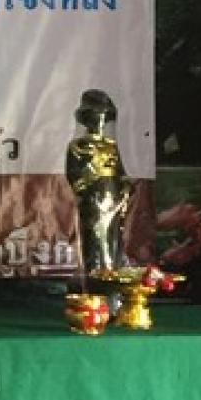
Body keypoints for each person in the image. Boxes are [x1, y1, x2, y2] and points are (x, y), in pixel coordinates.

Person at [65, 87, 134, 278]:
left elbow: (120, 171)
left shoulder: (111, 146)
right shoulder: (78, 147)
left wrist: (125, 186)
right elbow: (72, 174)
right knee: (94, 237)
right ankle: (94, 274)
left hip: (114, 196)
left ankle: (113, 271)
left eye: (102, 117)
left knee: (113, 236)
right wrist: (86, 189)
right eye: (96, 117)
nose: (100, 122)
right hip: (93, 197)